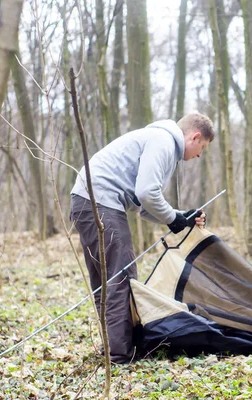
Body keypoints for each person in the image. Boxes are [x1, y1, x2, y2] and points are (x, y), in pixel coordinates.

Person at [69, 112, 214, 363]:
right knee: (121, 278)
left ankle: (114, 349)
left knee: (106, 281)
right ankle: (120, 355)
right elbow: (147, 193)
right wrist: (172, 218)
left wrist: (181, 217)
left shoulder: (157, 139)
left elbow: (142, 205)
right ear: (195, 136)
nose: (199, 155)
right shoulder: (163, 141)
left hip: (86, 201)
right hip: (101, 203)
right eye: (202, 147)